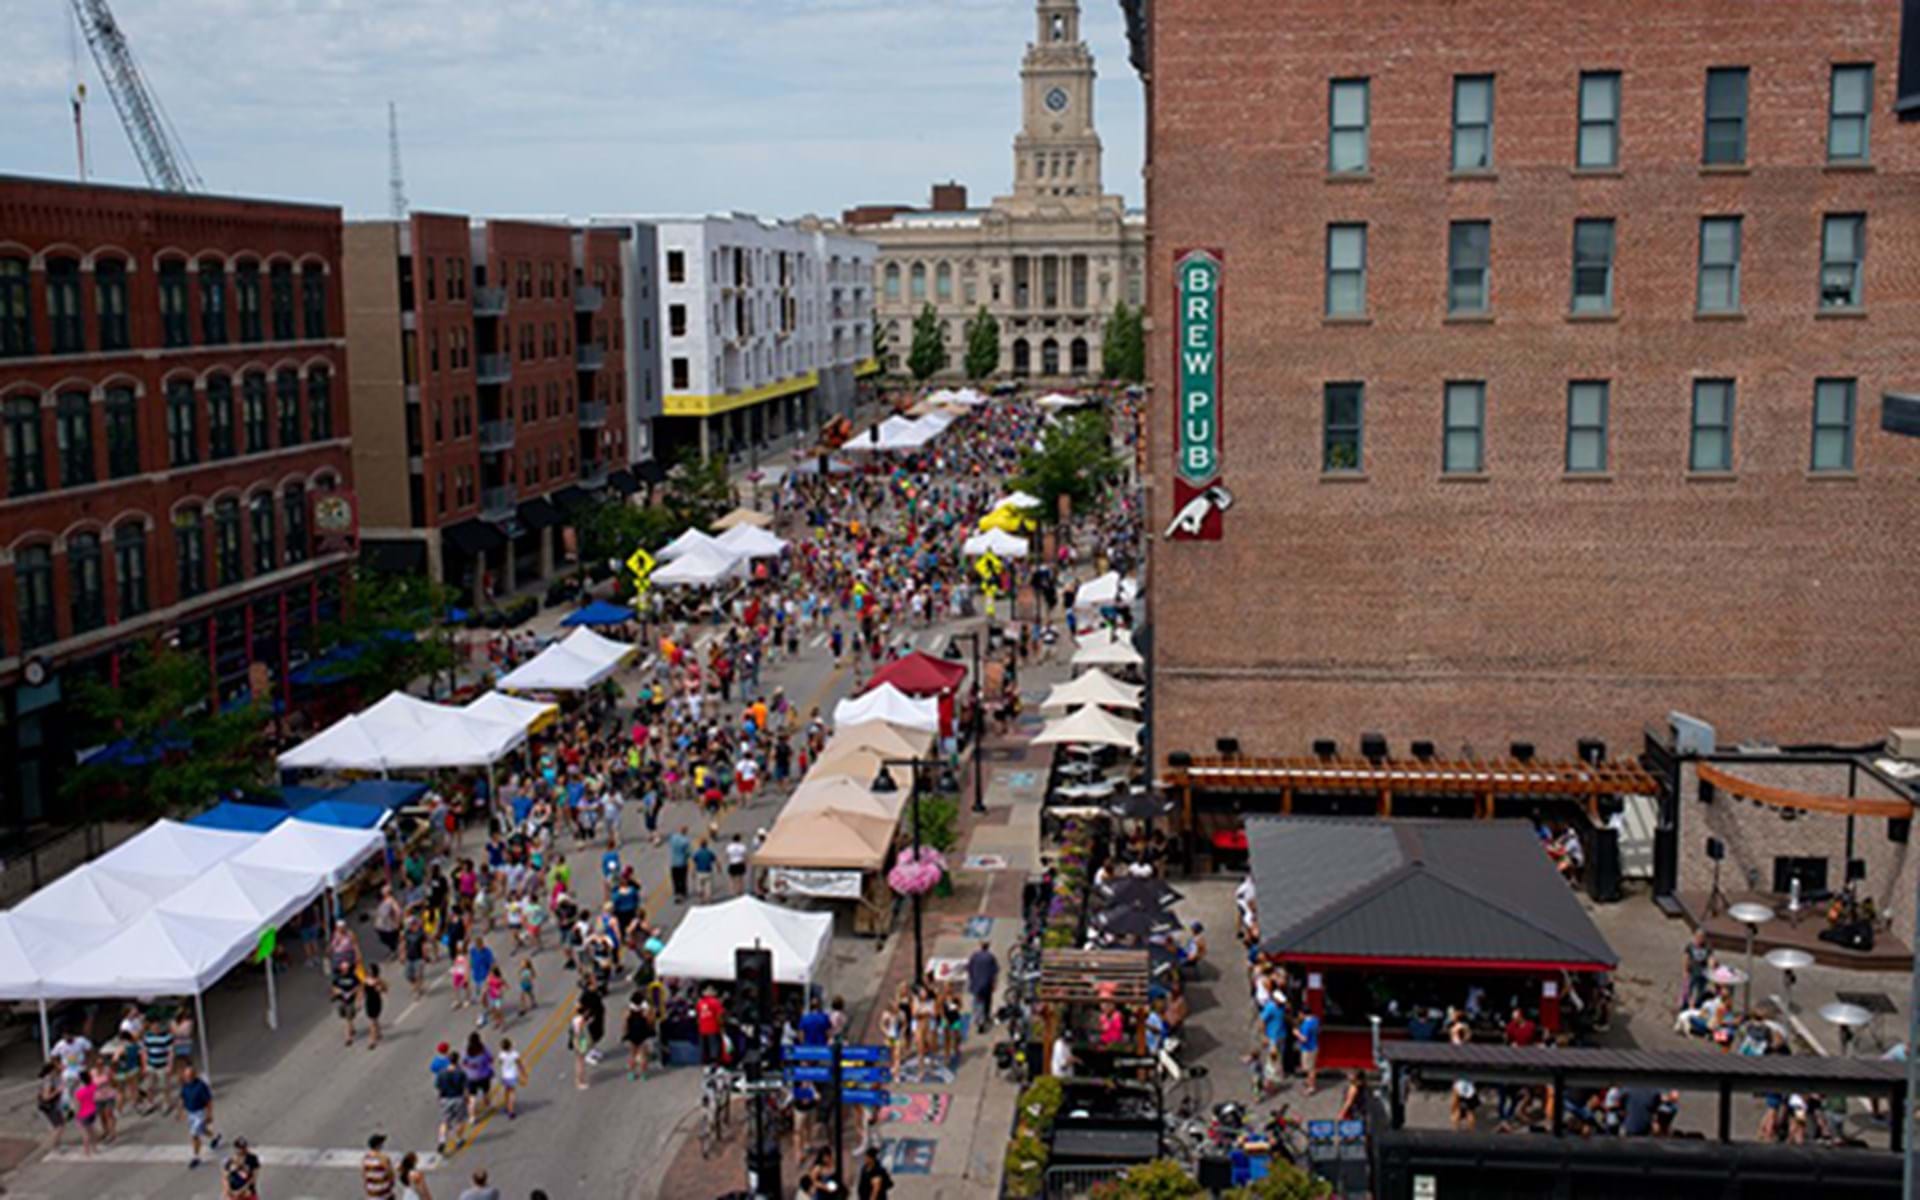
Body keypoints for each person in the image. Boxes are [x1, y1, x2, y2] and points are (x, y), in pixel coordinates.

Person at [966, 941, 999, 1034]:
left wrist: (972, 978)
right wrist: (994, 983)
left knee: (977, 1002)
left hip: (976, 984)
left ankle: (978, 1018)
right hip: (987, 984)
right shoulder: (991, 957)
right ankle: (984, 1018)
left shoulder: (975, 956)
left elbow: (969, 968)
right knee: (987, 1002)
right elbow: (994, 971)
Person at [623, 993, 655, 1078]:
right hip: (643, 1034)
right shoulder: (645, 1011)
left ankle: (631, 1073)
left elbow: (625, 1024)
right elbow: (650, 1022)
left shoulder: (628, 1011)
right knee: (643, 1056)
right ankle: (644, 1073)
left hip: (632, 1035)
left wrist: (625, 1034)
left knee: (632, 1055)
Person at [697, 985, 727, 1064]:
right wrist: (722, 1025)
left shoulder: (700, 1002)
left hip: (702, 1028)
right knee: (714, 1045)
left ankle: (705, 1062)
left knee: (704, 1046)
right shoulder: (715, 1002)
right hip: (713, 1027)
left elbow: (698, 1015)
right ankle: (714, 1061)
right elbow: (719, 1015)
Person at [362, 1133, 398, 1199]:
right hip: (383, 1194)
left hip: (372, 1194)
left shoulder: (366, 1159)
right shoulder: (383, 1158)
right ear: (377, 1145)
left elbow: (364, 1176)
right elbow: (391, 1176)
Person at [1296, 1009, 1321, 1095]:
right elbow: (1318, 1031)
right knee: (1311, 1067)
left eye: (1300, 1014)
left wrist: (1297, 1033)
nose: (1299, 1016)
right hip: (1314, 1046)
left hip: (1308, 1049)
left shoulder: (1306, 1024)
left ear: (1303, 1014)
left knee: (1310, 1069)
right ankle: (1309, 1082)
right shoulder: (1315, 1020)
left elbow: (1304, 1039)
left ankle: (1311, 1087)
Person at [498, 1037, 523, 1119]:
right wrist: (523, 1073)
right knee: (512, 1093)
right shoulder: (515, 1054)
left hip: (505, 1076)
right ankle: (511, 1111)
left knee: (506, 1091)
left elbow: (500, 1063)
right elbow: (519, 1064)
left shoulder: (502, 1054)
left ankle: (506, 1106)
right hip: (513, 1076)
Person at [668, 826, 692, 902]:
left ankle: (677, 892)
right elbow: (688, 853)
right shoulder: (686, 841)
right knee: (683, 879)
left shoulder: (673, 837)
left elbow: (670, 844)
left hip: (673, 863)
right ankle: (683, 893)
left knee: (675, 879)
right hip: (682, 863)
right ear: (685, 832)